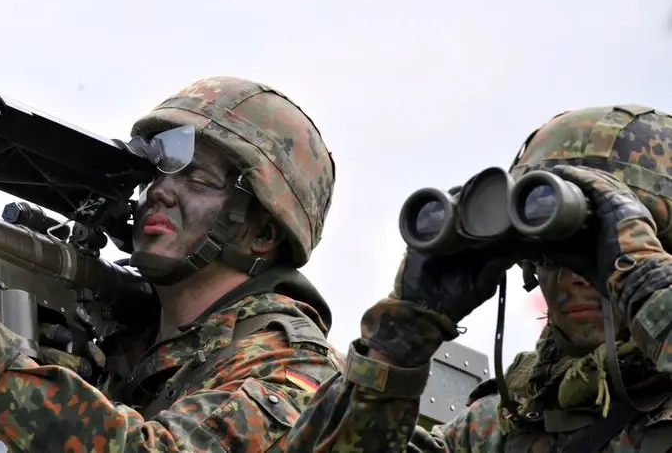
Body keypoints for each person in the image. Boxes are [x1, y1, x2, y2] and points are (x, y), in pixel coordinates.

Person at [0, 76, 344, 452]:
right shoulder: (130, 349)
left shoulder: (295, 371)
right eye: (158, 172)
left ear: (262, 233)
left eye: (199, 179)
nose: (161, 191)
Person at [285, 104, 672, 453]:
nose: (577, 277)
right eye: (558, 251)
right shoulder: (493, 430)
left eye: (600, 250)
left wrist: (646, 286)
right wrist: (399, 339)